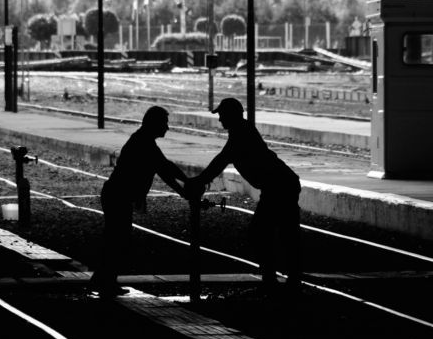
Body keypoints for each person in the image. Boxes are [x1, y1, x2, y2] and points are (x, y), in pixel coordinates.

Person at [186, 98, 301, 296]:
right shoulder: (241, 130)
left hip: (279, 186)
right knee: (281, 232)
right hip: (281, 185)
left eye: (222, 115)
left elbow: (222, 159)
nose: (220, 119)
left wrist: (200, 180)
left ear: (232, 115)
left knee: (263, 232)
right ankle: (285, 279)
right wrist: (202, 179)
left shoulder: (241, 133)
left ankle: (275, 281)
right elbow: (223, 159)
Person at [89, 106, 189, 298]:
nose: (167, 128)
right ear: (155, 123)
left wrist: (185, 185)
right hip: (118, 196)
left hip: (116, 195)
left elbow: (164, 167)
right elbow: (165, 169)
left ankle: (103, 279)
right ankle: (104, 281)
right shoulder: (144, 143)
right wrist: (185, 188)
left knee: (116, 239)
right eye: (164, 123)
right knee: (118, 239)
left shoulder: (143, 140)